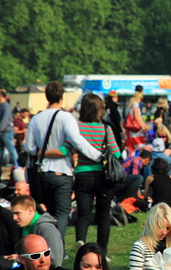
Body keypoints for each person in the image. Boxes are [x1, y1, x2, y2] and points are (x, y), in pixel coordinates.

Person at [24, 81, 103, 245]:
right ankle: (57, 248)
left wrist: (42, 151)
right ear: (61, 97)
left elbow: (29, 148)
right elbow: (78, 141)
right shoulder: (66, 117)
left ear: (46, 96)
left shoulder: (36, 119)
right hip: (62, 171)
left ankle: (50, 246)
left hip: (43, 171)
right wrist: (98, 156)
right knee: (62, 212)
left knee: (51, 212)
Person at [47, 92, 119, 253]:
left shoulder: (77, 128)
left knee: (84, 214)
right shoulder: (106, 129)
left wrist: (43, 153)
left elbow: (64, 149)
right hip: (103, 176)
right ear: (99, 110)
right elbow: (116, 153)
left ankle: (81, 240)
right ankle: (102, 251)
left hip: (82, 175)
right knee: (103, 216)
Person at [10, 195, 64, 268]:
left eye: (17, 213)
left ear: (30, 210)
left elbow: (55, 261)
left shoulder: (46, 228)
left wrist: (18, 259)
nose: (14, 218)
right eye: (13, 213)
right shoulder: (24, 225)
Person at [0, 89, 17, 167]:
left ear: (0, 95)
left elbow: (4, 120)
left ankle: (17, 165)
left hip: (6, 131)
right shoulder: (1, 106)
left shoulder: (6, 106)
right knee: (0, 151)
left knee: (11, 149)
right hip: (2, 132)